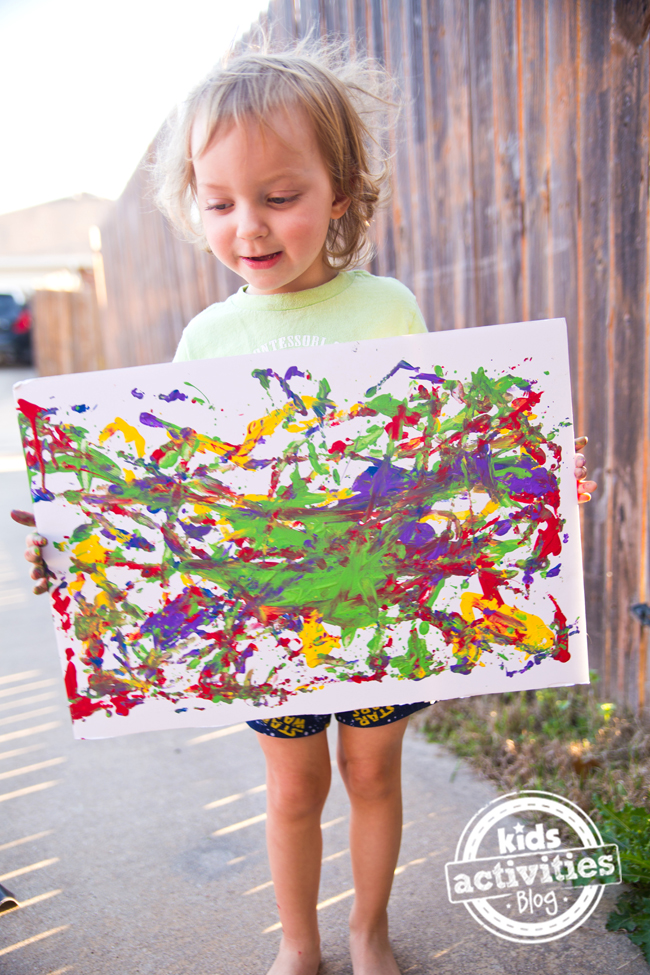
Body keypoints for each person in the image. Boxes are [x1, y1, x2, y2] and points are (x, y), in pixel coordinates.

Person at [11, 41, 598, 975]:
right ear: (194, 204)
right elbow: (170, 492)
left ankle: (367, 929)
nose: (249, 224)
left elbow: (441, 451)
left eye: (279, 195)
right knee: (291, 789)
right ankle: (299, 940)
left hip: (378, 613)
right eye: (221, 202)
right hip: (265, 623)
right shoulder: (207, 336)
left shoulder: (390, 309)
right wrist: (76, 533)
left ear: (342, 191)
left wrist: (536, 490)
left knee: (372, 772)